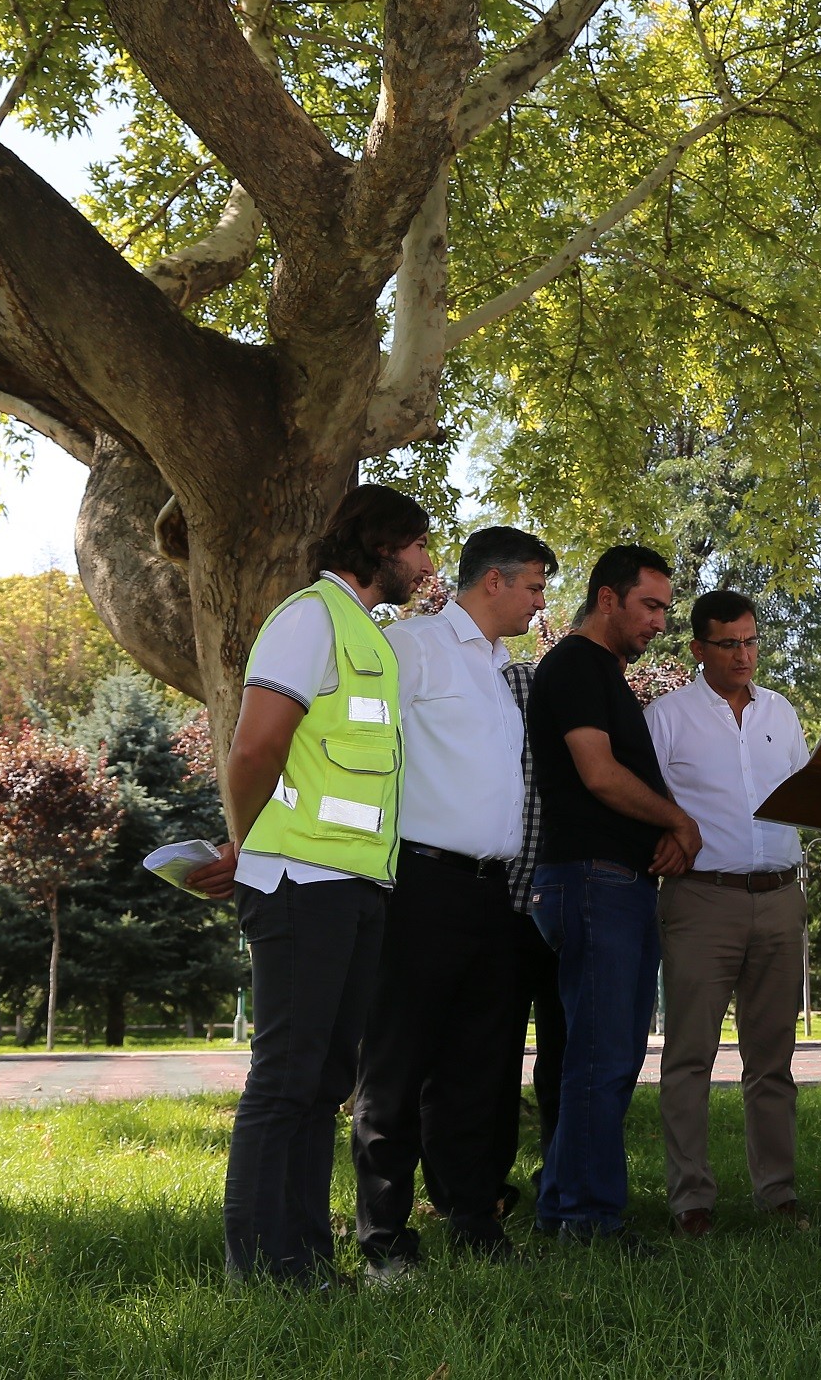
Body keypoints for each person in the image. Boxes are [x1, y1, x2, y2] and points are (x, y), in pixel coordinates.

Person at [185, 484, 431, 1287]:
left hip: (353, 885)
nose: (427, 565)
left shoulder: (367, 634)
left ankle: (305, 1262)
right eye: (420, 547)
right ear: (384, 544)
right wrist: (245, 844)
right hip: (298, 882)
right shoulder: (309, 619)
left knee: (323, 1082)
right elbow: (255, 747)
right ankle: (258, 1265)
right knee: (287, 1077)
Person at [351, 526, 557, 1278]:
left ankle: (472, 1220)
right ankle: (383, 1240)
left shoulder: (503, 672)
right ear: (494, 582)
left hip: (493, 893)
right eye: (534, 586)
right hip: (419, 885)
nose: (541, 604)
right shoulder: (414, 649)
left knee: (480, 1067)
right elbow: (364, 752)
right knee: (398, 1064)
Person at [527, 544, 697, 1246]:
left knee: (610, 1055)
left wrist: (664, 837)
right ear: (606, 598)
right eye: (650, 605)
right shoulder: (573, 665)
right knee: (599, 1058)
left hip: (617, 883)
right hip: (590, 883)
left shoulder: (604, 673)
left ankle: (566, 1207)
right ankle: (585, 1217)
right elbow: (597, 774)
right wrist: (678, 819)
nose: (660, 621)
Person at [645, 589, 811, 1236]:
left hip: (779, 899)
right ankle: (691, 1201)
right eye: (728, 643)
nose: (743, 655)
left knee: (772, 1060)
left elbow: (806, 795)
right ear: (697, 648)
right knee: (689, 1056)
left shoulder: (781, 712)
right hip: (700, 902)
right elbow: (644, 800)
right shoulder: (667, 717)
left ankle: (779, 1195)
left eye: (750, 641)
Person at [492, 655, 565, 1207]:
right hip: (508, 907)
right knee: (492, 1054)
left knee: (561, 1057)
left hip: (565, 902)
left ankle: (557, 1181)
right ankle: (484, 1186)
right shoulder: (518, 681)